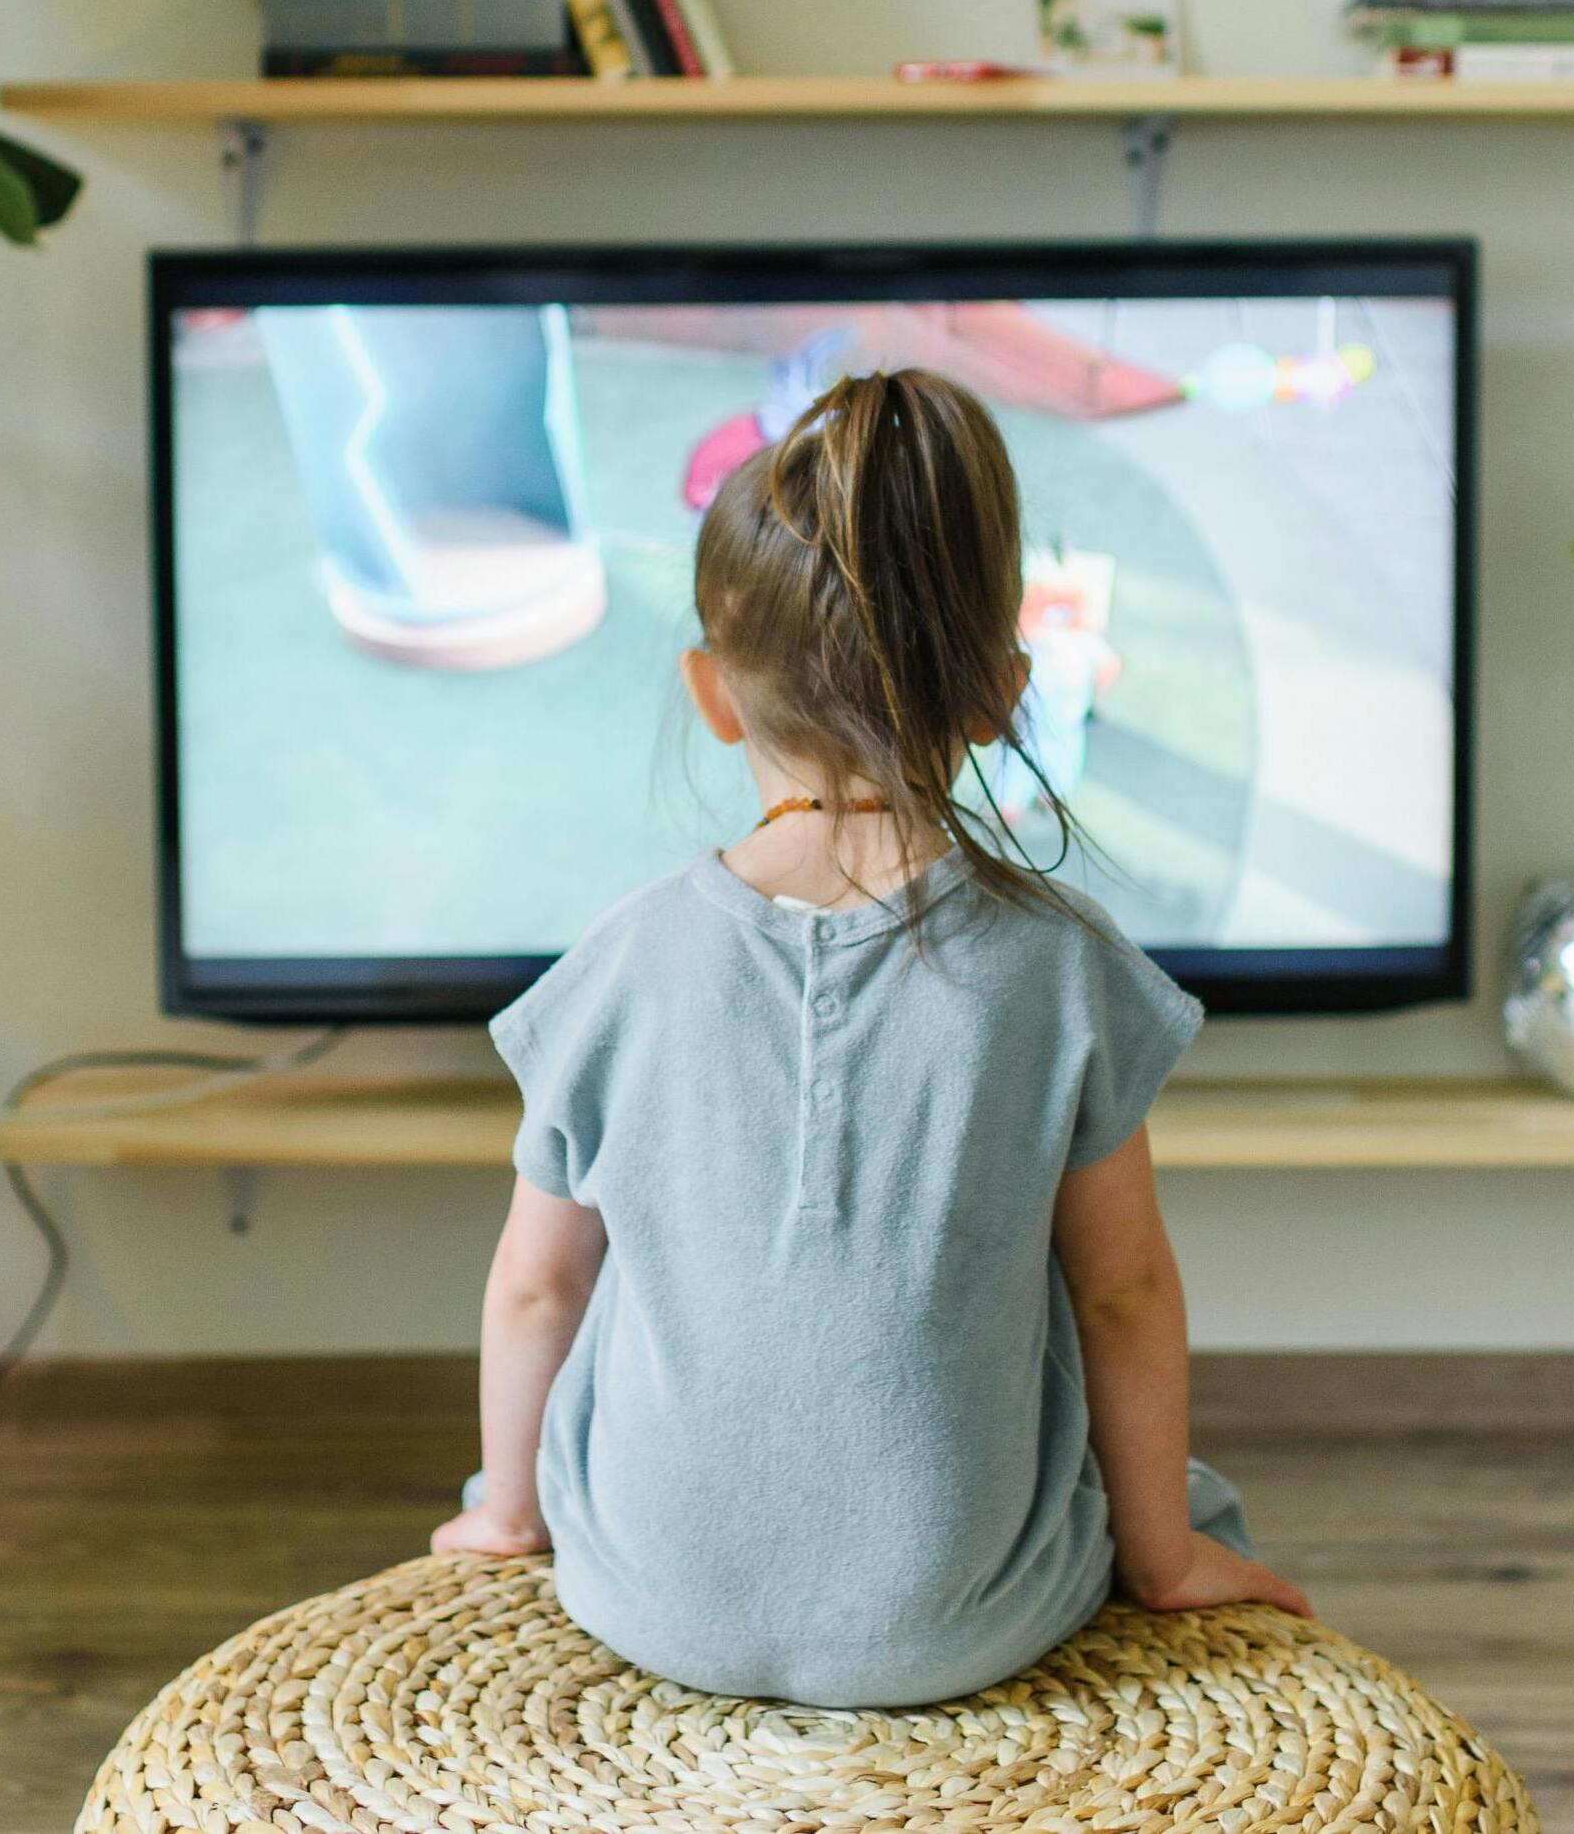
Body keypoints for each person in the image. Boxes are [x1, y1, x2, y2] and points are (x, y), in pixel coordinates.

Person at [431, 368, 1310, 1708]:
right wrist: (1167, 1557)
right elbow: (1124, 1294)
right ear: (1003, 692)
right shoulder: (1062, 971)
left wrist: (505, 1521)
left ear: (715, 693)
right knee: (1141, 1446)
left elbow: (536, 1289)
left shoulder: (616, 965)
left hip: (647, 1595)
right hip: (957, 1624)